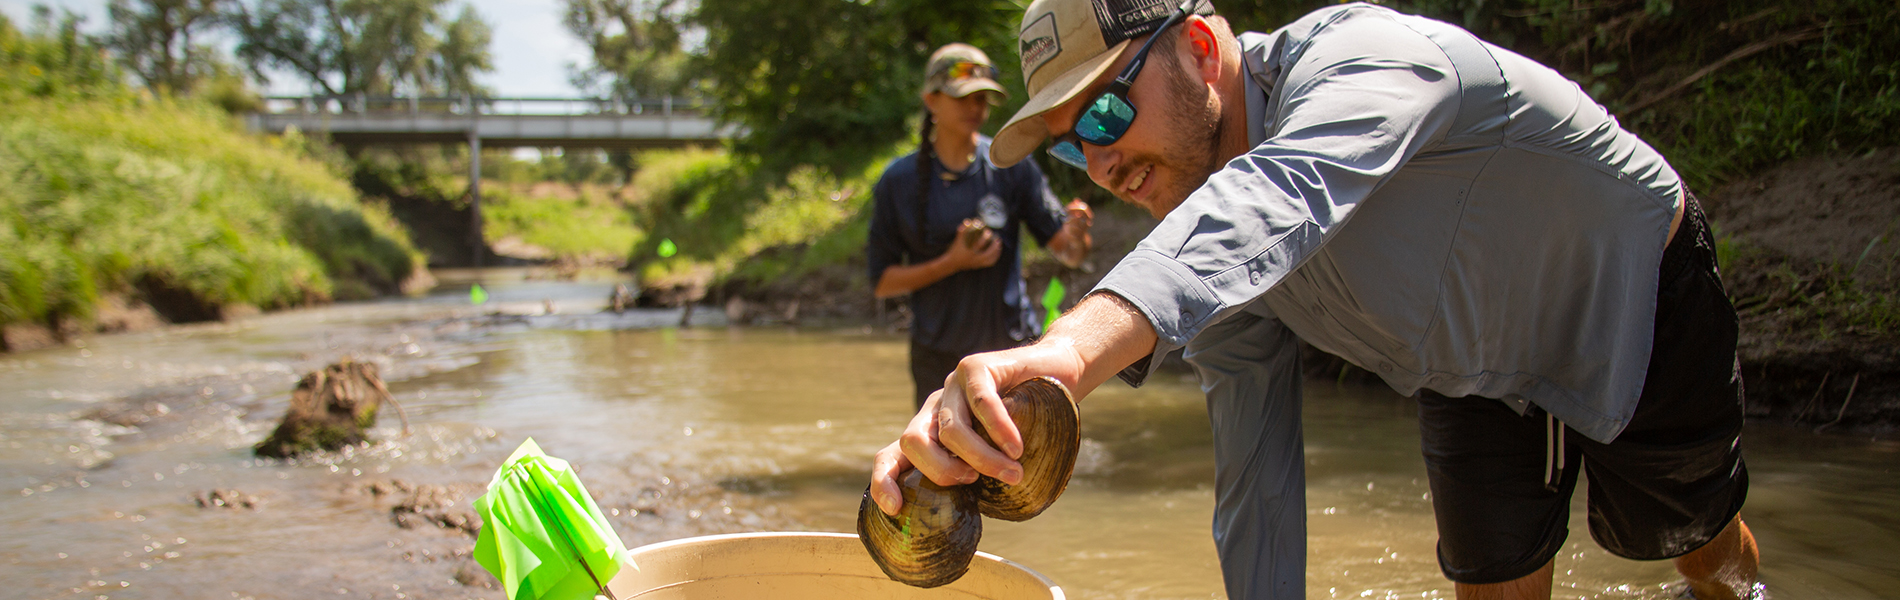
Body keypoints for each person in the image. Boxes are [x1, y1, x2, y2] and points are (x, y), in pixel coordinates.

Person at [867, 1, 1761, 599]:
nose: (1099, 166)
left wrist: (1065, 352)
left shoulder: (1361, 63)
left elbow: (1278, 194)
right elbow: (1256, 478)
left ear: (1201, 50)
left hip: (1628, 291)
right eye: (1072, 149)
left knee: (1703, 554)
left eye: (1103, 115)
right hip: (1468, 368)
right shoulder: (1207, 235)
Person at [866, 42, 1095, 410]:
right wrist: (952, 262)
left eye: (983, 99)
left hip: (1010, 351)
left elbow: (1068, 253)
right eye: (964, 98)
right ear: (931, 100)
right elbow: (882, 283)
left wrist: (1078, 234)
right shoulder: (899, 181)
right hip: (937, 358)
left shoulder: (1010, 165)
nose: (975, 109)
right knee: (947, 465)